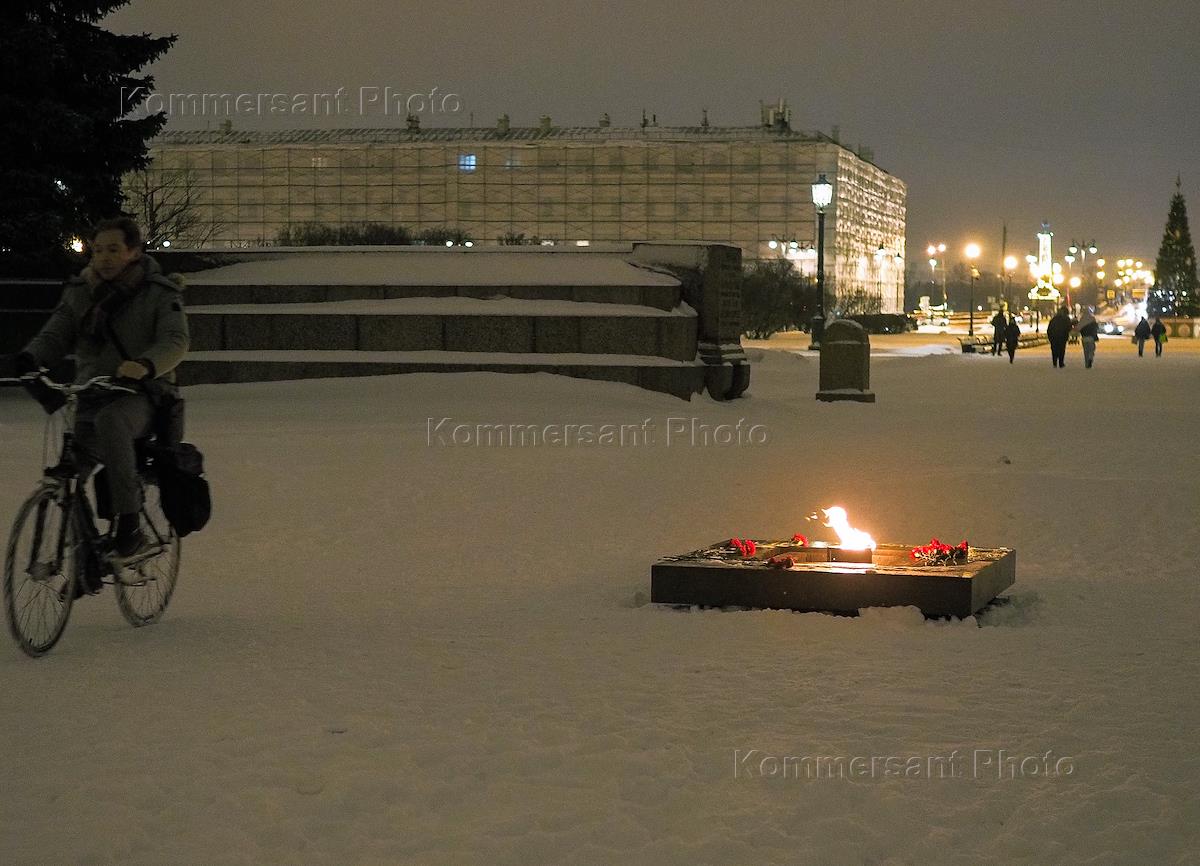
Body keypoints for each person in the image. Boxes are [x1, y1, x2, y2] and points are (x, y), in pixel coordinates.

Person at [1, 217, 189, 561]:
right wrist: (29, 359)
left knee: (110, 421)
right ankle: (86, 561)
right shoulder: (80, 292)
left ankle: (130, 529)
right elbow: (55, 334)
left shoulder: (158, 292)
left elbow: (175, 341)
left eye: (113, 249)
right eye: (98, 250)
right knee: (71, 471)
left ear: (134, 252)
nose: (104, 257)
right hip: (92, 392)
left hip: (143, 395)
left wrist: (145, 365)